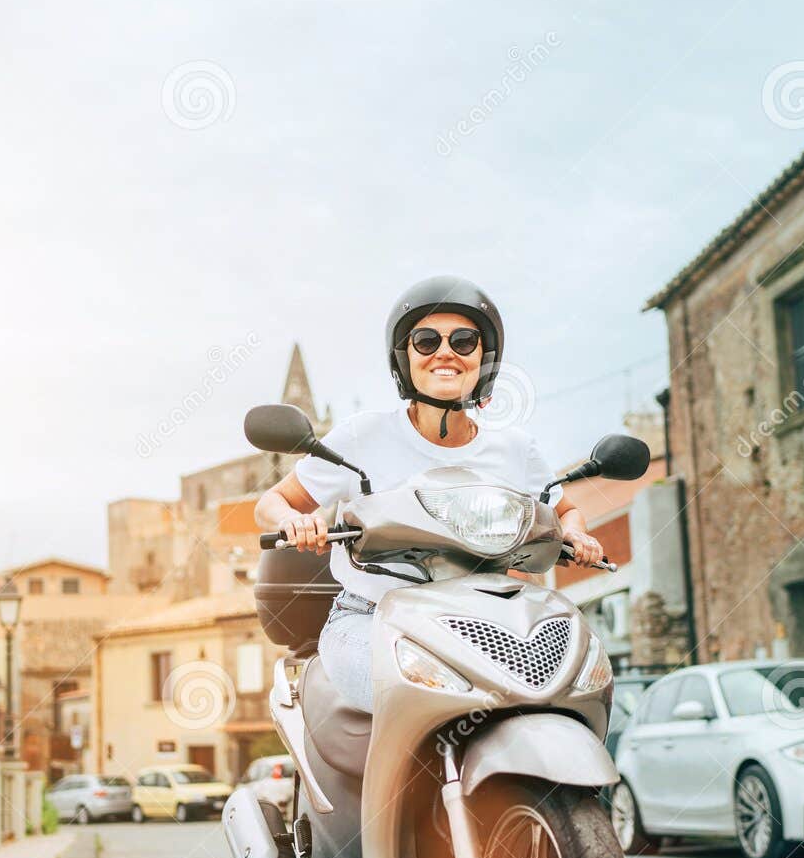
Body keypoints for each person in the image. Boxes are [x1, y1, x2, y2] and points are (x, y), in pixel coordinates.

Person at [254, 276, 604, 712]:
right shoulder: (363, 436)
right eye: (425, 341)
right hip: (372, 619)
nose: (445, 352)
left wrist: (577, 535)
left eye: (463, 340)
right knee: (421, 701)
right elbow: (272, 502)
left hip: (489, 623)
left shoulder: (515, 449)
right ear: (404, 358)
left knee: (564, 695)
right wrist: (294, 520)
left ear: (484, 358)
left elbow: (565, 510)